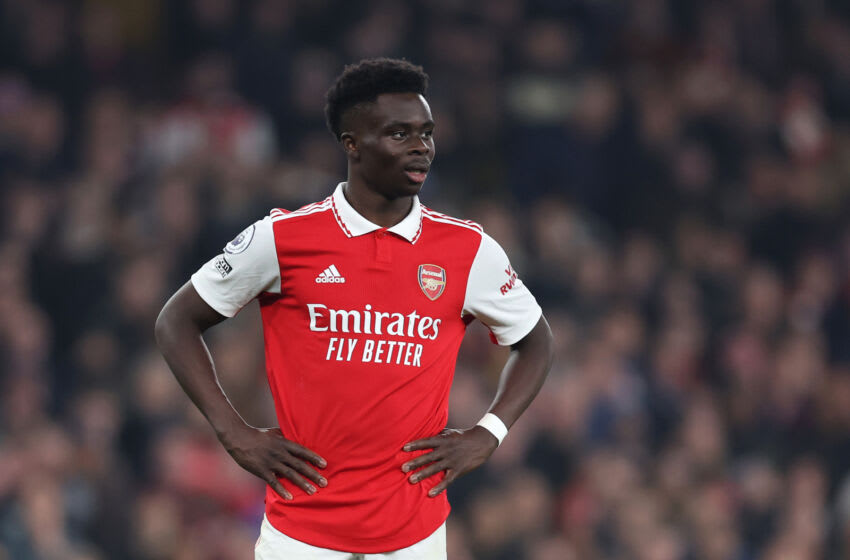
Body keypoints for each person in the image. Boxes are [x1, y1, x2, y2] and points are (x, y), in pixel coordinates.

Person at [155, 57, 554, 560]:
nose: (421, 147)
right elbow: (176, 321)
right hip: (300, 534)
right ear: (352, 144)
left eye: (426, 133)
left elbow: (537, 341)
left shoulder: (468, 250)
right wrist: (234, 434)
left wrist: (488, 434)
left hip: (415, 535)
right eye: (399, 133)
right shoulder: (283, 239)